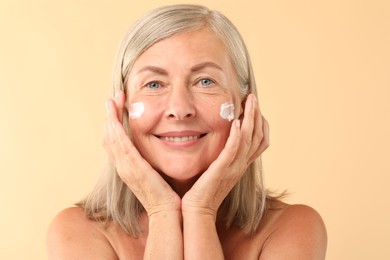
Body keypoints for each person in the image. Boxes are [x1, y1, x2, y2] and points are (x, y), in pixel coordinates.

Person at [46, 4, 327, 259]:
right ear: (122, 108)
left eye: (205, 81)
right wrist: (162, 212)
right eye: (154, 84)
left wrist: (200, 210)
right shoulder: (76, 233)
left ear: (244, 106)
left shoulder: (292, 228)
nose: (179, 110)